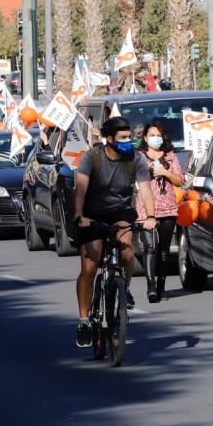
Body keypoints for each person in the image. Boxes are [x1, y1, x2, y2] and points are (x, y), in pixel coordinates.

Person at [73, 117, 157, 348]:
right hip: (92, 214)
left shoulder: (136, 158)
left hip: (121, 212)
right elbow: (80, 188)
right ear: (109, 139)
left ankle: (124, 289)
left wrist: (150, 216)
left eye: (129, 137)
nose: (128, 141)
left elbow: (146, 191)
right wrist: (80, 215)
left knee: (127, 251)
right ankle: (83, 321)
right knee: (89, 267)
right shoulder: (92, 157)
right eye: (122, 138)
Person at [136, 120, 184, 303]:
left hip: (168, 207)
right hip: (146, 208)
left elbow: (180, 180)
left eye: (158, 135)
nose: (155, 139)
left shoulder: (170, 156)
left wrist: (165, 172)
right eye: (152, 135)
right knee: (150, 247)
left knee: (164, 250)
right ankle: (151, 287)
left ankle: (162, 286)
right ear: (145, 138)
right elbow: (133, 176)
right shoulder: (139, 156)